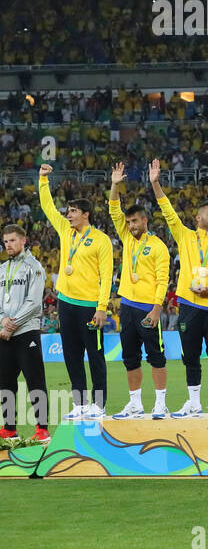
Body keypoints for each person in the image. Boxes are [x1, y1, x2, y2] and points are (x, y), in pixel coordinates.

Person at [151, 159, 208, 419]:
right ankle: (194, 403)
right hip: (190, 306)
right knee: (190, 356)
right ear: (198, 217)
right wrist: (155, 183)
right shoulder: (185, 236)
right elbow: (167, 210)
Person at [39, 163, 112, 421]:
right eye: (68, 211)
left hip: (90, 306)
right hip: (66, 304)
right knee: (71, 355)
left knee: (95, 356)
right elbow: (48, 208)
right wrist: (43, 180)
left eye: (73, 212)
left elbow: (106, 277)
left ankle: (99, 405)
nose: (68, 215)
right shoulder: (65, 232)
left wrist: (102, 307)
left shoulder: (101, 240)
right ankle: (80, 404)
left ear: (86, 214)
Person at [107, 163, 172, 420]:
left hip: (147, 308)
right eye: (129, 221)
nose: (131, 225)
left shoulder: (158, 247)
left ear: (145, 220)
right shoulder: (126, 237)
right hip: (128, 307)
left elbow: (162, 279)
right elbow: (114, 211)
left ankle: (160, 403)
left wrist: (157, 309)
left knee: (156, 356)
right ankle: (135, 404)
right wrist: (114, 185)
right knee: (130, 357)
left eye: (135, 221)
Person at [0, 225, 49, 443]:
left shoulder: (34, 267)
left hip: (26, 331)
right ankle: (9, 429)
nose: (8, 244)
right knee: (5, 382)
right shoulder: (2, 269)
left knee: (34, 380)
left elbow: (34, 302)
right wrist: (2, 320)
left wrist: (12, 324)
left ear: (23, 241)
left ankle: (42, 429)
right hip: (5, 333)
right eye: (5, 241)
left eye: (12, 240)